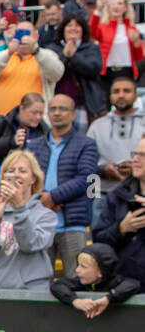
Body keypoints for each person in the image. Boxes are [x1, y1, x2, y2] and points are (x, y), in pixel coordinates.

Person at [25, 94, 99, 275]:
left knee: (77, 279)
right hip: (39, 223)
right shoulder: (33, 145)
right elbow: (25, 179)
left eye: (63, 109)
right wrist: (40, 199)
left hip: (72, 224)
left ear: (73, 114)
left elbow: (87, 178)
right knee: (39, 282)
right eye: (53, 109)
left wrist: (53, 197)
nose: (57, 113)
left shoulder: (86, 144)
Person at [0, 149, 58, 290]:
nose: (16, 175)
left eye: (22, 171)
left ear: (33, 179)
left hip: (30, 290)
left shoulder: (46, 215)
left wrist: (19, 208)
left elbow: (29, 244)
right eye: (11, 171)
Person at [0, 19, 62, 121]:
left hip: (35, 122)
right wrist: (8, 52)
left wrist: (36, 51)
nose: (23, 38)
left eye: (27, 34)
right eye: (19, 34)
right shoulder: (6, 55)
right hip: (2, 121)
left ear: (36, 37)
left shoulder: (45, 55)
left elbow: (57, 73)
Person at [92, 137, 145, 285]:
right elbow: (99, 241)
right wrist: (121, 228)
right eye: (135, 154)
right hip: (122, 286)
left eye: (142, 155)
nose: (135, 159)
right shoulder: (117, 195)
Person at [87, 74, 145, 199]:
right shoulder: (97, 126)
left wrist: (136, 168)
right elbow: (85, 163)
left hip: (139, 195)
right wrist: (103, 170)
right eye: (116, 91)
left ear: (136, 96)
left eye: (127, 91)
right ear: (110, 96)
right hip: (102, 193)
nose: (121, 95)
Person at [50, 243, 139, 317]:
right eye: (78, 265)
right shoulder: (82, 282)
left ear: (100, 272)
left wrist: (108, 298)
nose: (77, 270)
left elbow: (134, 284)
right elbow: (57, 285)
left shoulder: (116, 281)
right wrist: (75, 301)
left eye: (83, 267)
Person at [53, 14, 106, 124]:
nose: (73, 28)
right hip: (57, 106)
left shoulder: (91, 48)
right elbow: (52, 71)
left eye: (77, 25)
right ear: (63, 29)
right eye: (69, 25)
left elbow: (94, 69)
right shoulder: (53, 48)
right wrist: (65, 56)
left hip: (83, 105)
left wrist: (73, 56)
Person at [88, 0, 143, 84]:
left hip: (127, 70)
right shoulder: (103, 27)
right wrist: (98, 10)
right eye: (113, 3)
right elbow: (91, 33)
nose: (116, 6)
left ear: (125, 8)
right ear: (108, 7)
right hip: (107, 71)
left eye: (120, 3)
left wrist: (136, 42)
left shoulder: (132, 28)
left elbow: (139, 57)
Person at [0, 92, 46, 165]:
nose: (38, 117)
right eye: (34, 113)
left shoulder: (45, 131)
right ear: (21, 108)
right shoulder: (1, 123)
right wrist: (11, 142)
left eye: (41, 113)